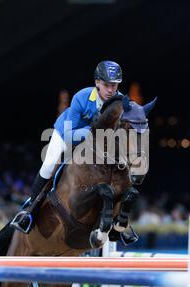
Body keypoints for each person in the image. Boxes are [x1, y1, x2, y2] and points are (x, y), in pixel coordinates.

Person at [10, 61, 123, 233]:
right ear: (97, 83)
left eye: (114, 85)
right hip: (66, 134)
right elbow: (70, 135)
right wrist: (91, 132)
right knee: (49, 165)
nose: (110, 90)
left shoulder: (120, 101)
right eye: (106, 85)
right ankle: (29, 212)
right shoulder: (81, 97)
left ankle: (119, 221)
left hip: (96, 143)